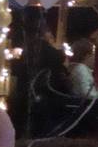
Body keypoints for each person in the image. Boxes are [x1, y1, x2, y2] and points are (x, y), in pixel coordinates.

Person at [9, 7, 70, 138]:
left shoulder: (29, 47)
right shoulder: (40, 47)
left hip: (28, 94)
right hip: (41, 96)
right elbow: (59, 57)